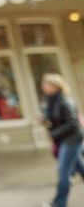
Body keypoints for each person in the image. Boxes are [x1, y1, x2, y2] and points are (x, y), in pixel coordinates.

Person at [40, 73, 84, 207]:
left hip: (72, 139)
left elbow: (72, 123)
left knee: (63, 170)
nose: (43, 86)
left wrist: (54, 133)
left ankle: (59, 203)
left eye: (46, 84)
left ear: (55, 86)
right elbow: (54, 119)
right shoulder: (50, 101)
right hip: (63, 139)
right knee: (79, 167)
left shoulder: (65, 101)